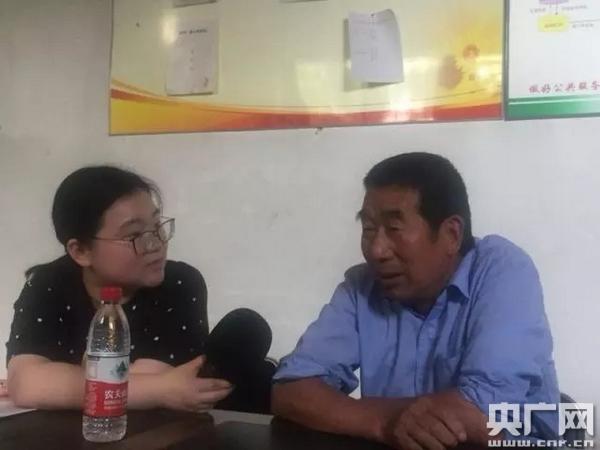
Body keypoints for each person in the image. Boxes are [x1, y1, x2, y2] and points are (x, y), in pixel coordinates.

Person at [272, 152, 560, 449]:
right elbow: (291, 391)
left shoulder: (502, 269)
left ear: (452, 234)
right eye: (369, 229)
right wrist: (387, 422)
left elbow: (479, 412)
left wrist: (351, 412)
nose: (377, 250)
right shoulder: (362, 285)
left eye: (394, 229)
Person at [6, 166, 233, 412]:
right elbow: (26, 385)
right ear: (81, 251)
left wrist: (62, 383)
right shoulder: (48, 283)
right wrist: (158, 389)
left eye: (157, 225)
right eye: (133, 235)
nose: (156, 243)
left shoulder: (179, 283)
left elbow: (157, 375)